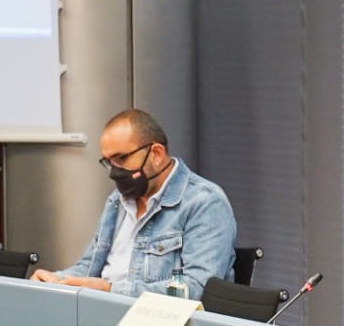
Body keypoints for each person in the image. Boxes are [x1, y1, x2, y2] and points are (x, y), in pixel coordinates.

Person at [34, 109, 235, 298]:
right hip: (101, 311)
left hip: (158, 321)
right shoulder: (117, 201)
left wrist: (110, 290)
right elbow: (89, 267)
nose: (114, 171)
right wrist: (53, 281)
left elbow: (197, 289)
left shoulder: (205, 202)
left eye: (121, 158)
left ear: (156, 154)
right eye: (109, 162)